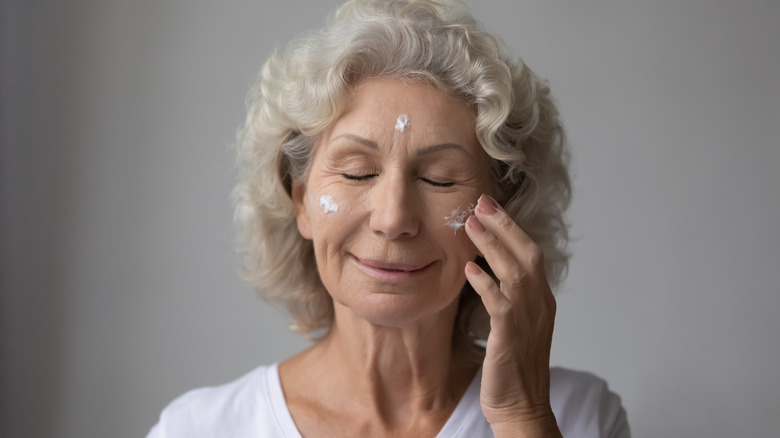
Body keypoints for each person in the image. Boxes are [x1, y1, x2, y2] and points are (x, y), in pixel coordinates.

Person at [147, 0, 630, 436]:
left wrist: (522, 417)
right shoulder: (199, 428)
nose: (394, 217)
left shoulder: (579, 416)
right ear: (300, 202)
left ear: (504, 212)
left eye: (440, 179)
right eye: (357, 173)